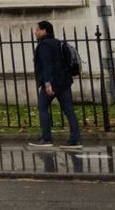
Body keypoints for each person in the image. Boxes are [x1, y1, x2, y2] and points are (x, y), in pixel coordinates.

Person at [30, 20, 82, 150]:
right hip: (64, 81)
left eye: (37, 29)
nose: (35, 32)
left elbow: (48, 65)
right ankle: (76, 140)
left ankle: (46, 138)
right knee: (69, 110)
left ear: (44, 31)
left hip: (52, 83)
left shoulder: (44, 45)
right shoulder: (57, 43)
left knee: (42, 107)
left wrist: (47, 84)